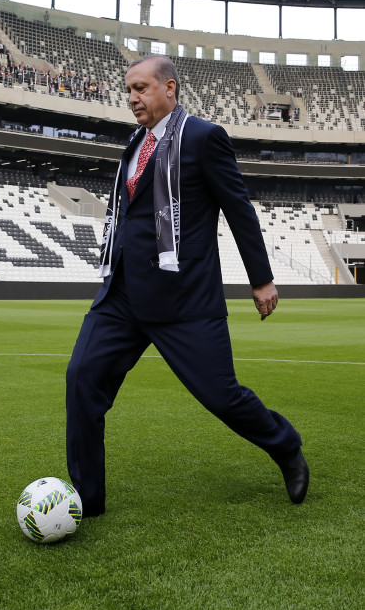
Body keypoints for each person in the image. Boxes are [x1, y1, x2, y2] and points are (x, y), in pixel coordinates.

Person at [66, 54, 309, 517]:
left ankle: (286, 446)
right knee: (82, 378)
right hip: (120, 294)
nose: (132, 98)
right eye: (128, 91)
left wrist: (261, 279)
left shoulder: (202, 137)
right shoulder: (134, 143)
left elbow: (239, 207)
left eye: (140, 88)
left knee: (222, 396)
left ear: (169, 87)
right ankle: (86, 498)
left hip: (184, 298)